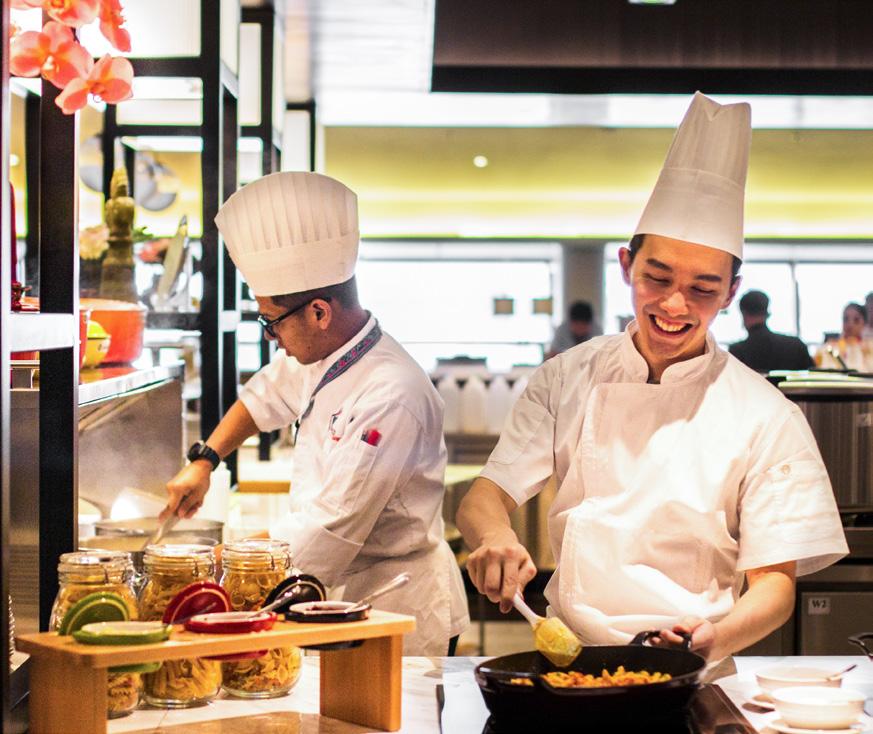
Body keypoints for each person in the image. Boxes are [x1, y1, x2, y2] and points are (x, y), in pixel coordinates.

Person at [456, 92, 847, 662]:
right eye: (657, 278)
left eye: (703, 289)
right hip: (572, 659)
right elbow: (483, 497)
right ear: (625, 265)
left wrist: (718, 639)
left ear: (731, 294)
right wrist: (496, 537)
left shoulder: (766, 414)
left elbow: (774, 585)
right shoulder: (566, 377)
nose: (674, 305)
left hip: (696, 664)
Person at [161, 172, 469, 655]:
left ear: (319, 312)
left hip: (398, 604)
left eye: (271, 322)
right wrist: (205, 460)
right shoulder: (326, 352)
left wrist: (213, 564)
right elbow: (264, 396)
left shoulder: (393, 395)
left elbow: (328, 527)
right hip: (341, 593)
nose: (271, 337)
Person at [729, 290, 813, 372]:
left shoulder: (737, 352)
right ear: (766, 313)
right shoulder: (796, 345)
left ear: (744, 314)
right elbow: (813, 376)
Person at [815, 302, 873, 372]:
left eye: (856, 320)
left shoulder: (869, 347)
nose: (850, 324)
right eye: (846, 319)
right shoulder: (830, 347)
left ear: (864, 323)